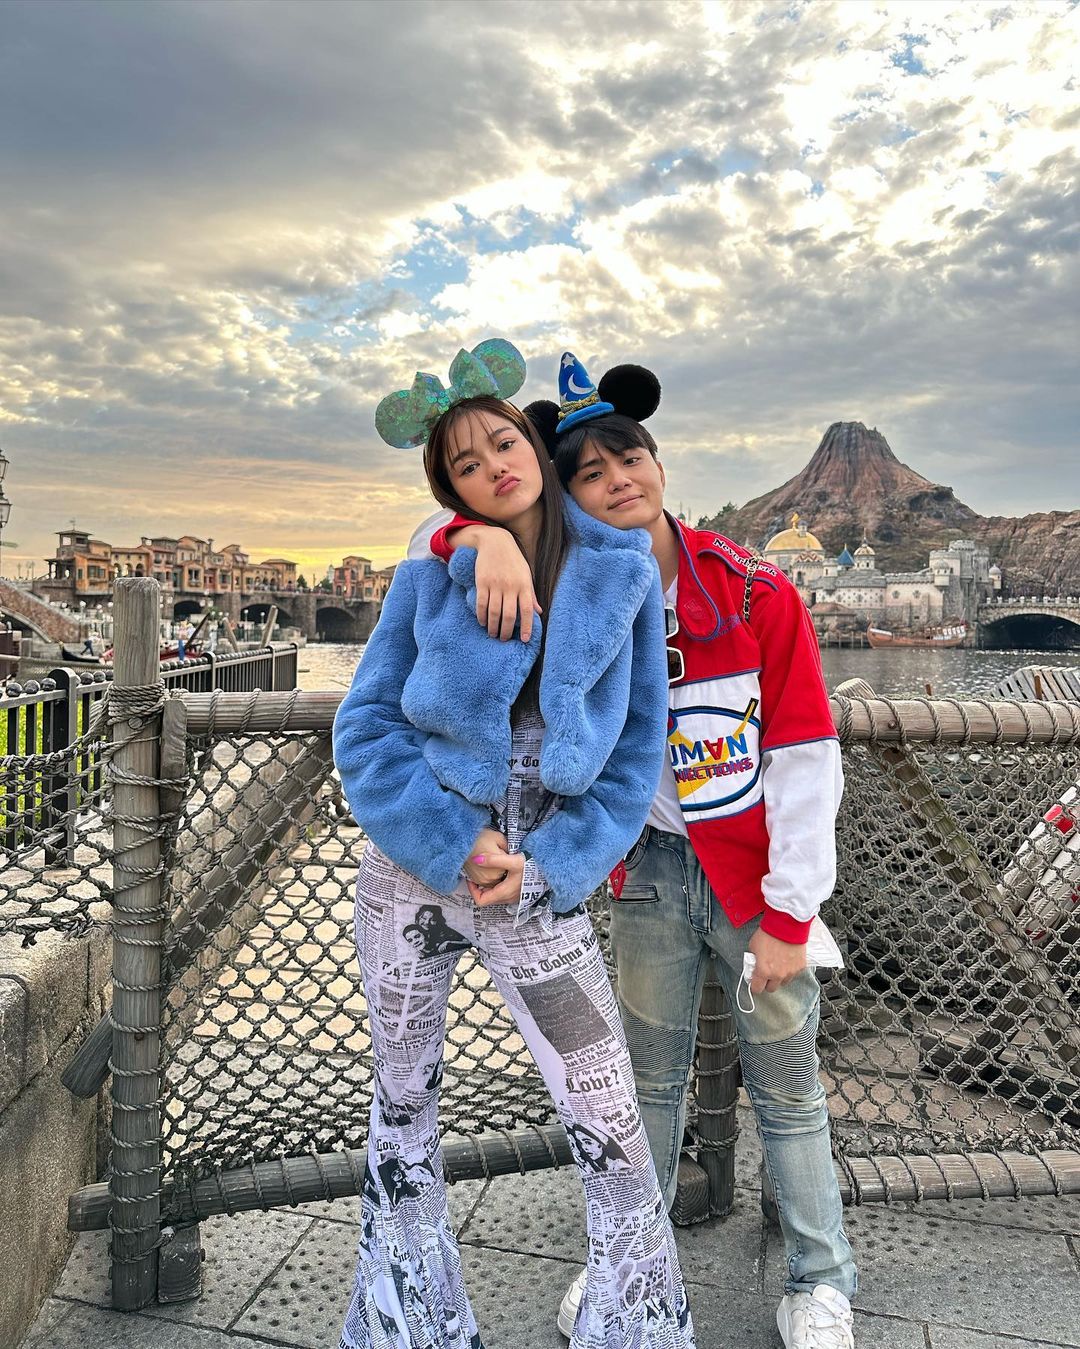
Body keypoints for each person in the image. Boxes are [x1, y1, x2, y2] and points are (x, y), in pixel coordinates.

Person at [422, 353, 858, 1349]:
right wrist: (476, 533)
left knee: (788, 1085)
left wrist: (791, 911)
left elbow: (805, 757)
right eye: (590, 471)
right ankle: (627, 1264)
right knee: (640, 1088)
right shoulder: (570, 593)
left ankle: (820, 1279)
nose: (618, 479)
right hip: (648, 871)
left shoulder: (752, 593)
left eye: (632, 458)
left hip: (751, 875)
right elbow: (429, 541)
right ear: (566, 493)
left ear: (660, 465)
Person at [332, 339, 695, 1349]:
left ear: (533, 443)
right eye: (465, 463)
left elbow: (632, 758)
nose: (493, 464)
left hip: (539, 884)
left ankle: (635, 1329)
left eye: (504, 442)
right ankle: (410, 1325)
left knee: (609, 1117)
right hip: (413, 874)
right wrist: (455, 841)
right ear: (449, 491)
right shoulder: (433, 568)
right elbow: (366, 729)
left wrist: (551, 866)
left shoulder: (620, 574)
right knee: (404, 1106)